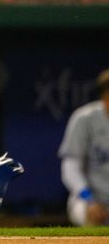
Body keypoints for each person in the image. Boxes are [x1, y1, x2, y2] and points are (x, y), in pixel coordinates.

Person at [59, 68, 109, 226]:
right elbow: (70, 167)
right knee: (89, 214)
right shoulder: (84, 119)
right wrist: (90, 200)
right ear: (104, 96)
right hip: (89, 199)